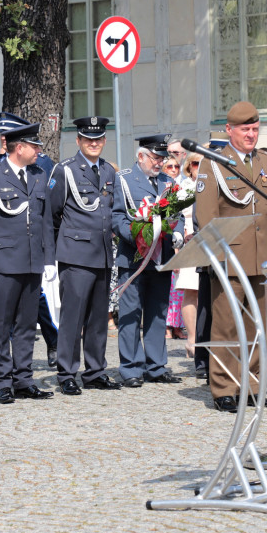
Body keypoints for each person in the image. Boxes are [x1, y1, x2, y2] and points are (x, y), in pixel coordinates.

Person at [195, 101, 267, 412]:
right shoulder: (215, 162)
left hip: (262, 259)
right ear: (230, 130)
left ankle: (253, 384)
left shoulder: (264, 160)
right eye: (245, 129)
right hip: (230, 258)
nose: (251, 134)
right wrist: (213, 257)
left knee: (257, 326)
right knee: (227, 325)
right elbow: (206, 214)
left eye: (255, 128)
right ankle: (223, 387)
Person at [0, 119, 56, 404]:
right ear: (19, 147)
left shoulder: (38, 174)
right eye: (34, 146)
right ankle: (2, 381)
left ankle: (23, 379)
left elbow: (45, 220)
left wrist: (49, 258)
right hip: (5, 260)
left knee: (27, 325)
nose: (38, 151)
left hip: (33, 260)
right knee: (1, 325)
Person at [48, 116, 122, 395]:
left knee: (98, 318)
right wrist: (61, 250)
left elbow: (110, 211)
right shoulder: (65, 170)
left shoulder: (108, 171)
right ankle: (67, 372)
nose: (94, 144)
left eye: (99, 139)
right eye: (89, 139)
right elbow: (53, 215)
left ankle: (95, 371)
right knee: (72, 318)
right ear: (78, 140)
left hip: (102, 254)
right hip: (76, 255)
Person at [112, 134, 184, 387]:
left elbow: (177, 214)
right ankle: (131, 368)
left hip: (161, 256)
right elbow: (118, 217)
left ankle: (156, 366)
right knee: (131, 313)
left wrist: (176, 232)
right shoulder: (123, 179)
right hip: (134, 256)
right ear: (141, 156)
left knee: (157, 313)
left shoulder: (168, 181)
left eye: (163, 158)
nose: (160, 163)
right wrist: (138, 235)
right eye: (155, 157)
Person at [176, 153, 203, 360]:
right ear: (189, 166)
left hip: (211, 243)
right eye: (195, 163)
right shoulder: (182, 187)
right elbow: (174, 219)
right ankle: (192, 339)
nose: (199, 167)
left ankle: (208, 339)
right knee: (191, 292)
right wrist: (176, 251)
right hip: (188, 243)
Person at [162, 156, 186, 339]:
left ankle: (177, 326)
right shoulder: (163, 187)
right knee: (168, 290)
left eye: (177, 166)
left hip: (182, 240)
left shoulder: (181, 186)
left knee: (179, 291)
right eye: (169, 166)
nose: (173, 169)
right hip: (164, 242)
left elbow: (179, 217)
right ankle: (166, 327)